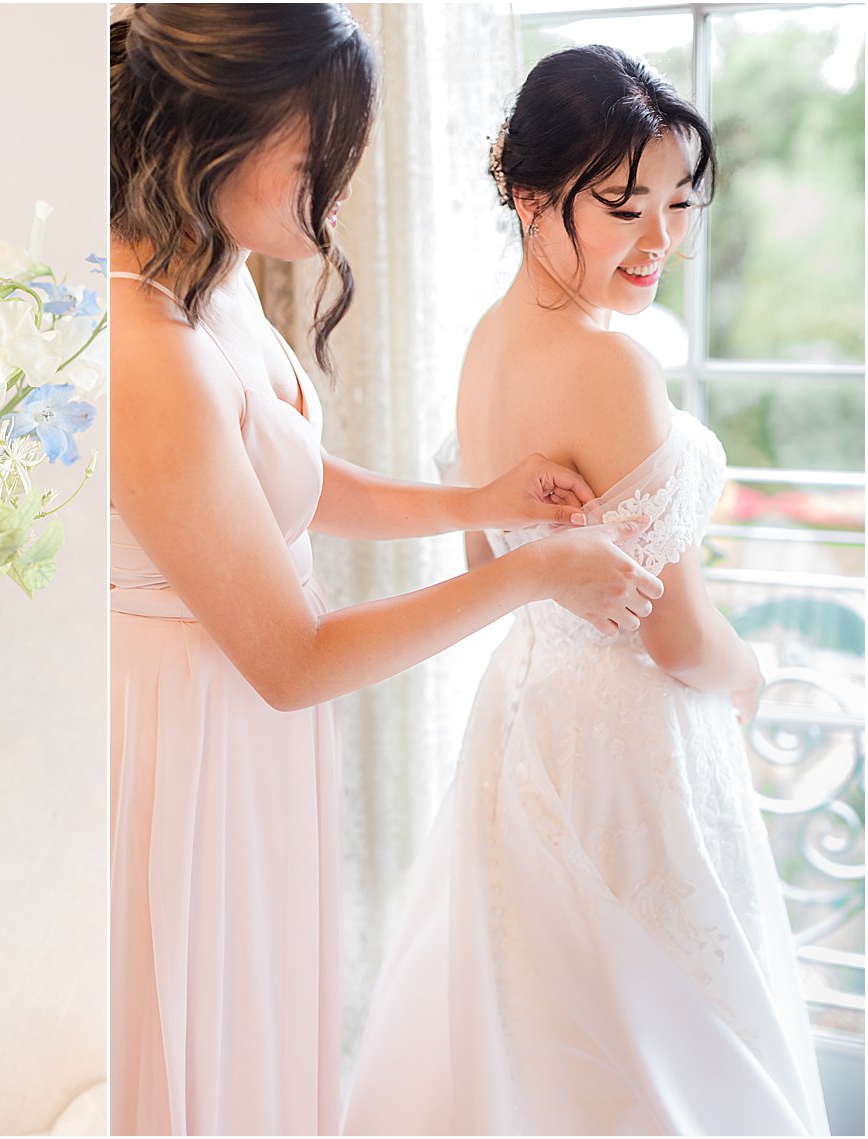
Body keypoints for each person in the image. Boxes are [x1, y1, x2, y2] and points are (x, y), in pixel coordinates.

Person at [109, 8, 665, 1134]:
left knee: (258, 1027)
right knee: (199, 1039)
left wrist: (479, 502)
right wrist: (529, 571)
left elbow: (284, 478)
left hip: (244, 718)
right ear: (215, 128)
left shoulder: (206, 281)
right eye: (316, 156)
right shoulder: (139, 349)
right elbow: (293, 658)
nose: (339, 184)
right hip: (196, 716)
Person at [342, 44, 829, 1135]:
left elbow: (488, 574)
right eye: (619, 205)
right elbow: (675, 636)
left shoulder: (481, 344)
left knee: (535, 1034)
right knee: (658, 1046)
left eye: (672, 201)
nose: (658, 238)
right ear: (527, 196)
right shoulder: (610, 366)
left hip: (521, 719)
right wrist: (749, 675)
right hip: (629, 746)